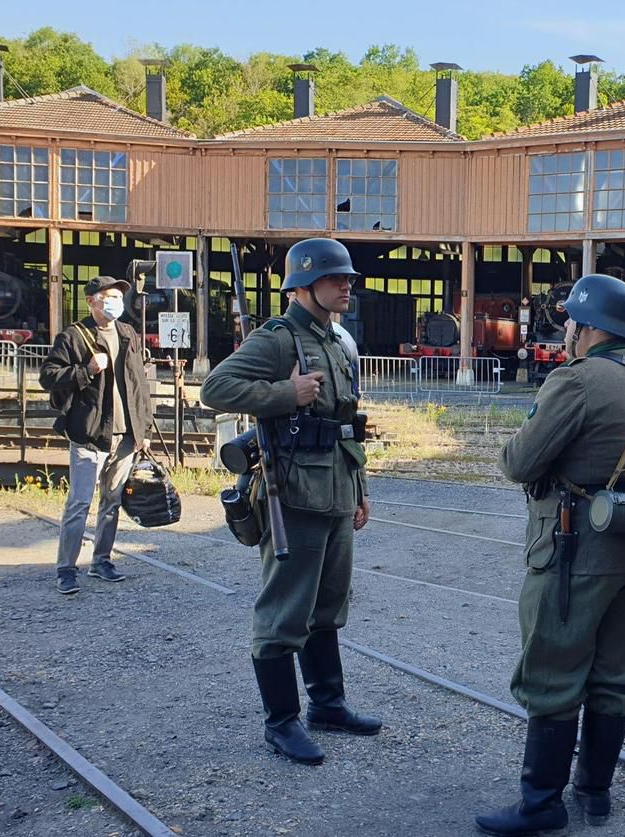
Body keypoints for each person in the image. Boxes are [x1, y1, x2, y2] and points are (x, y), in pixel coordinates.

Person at [477, 273, 625, 836]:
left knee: (552, 671)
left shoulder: (577, 380)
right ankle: (594, 793)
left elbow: (520, 462)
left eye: (570, 320)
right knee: (615, 675)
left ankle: (541, 806)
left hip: (571, 550)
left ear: (589, 327)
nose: (566, 328)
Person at [200, 237, 378, 766]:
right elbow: (217, 387)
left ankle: (328, 705)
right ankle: (281, 723)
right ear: (302, 285)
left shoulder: (338, 339)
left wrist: (360, 489)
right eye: (334, 277)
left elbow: (348, 421)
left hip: (337, 490)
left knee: (328, 605)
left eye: (347, 277)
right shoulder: (279, 339)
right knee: (284, 611)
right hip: (294, 491)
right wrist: (285, 395)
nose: (346, 284)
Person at [40, 276, 153, 596]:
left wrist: (142, 429)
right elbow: (48, 377)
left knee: (112, 501)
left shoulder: (127, 333)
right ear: (91, 301)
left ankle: (101, 560)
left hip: (126, 436)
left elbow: (139, 385)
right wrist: (87, 370)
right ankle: (66, 568)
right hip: (88, 434)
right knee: (79, 502)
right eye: (108, 296)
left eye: (118, 296)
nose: (115, 301)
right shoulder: (74, 336)